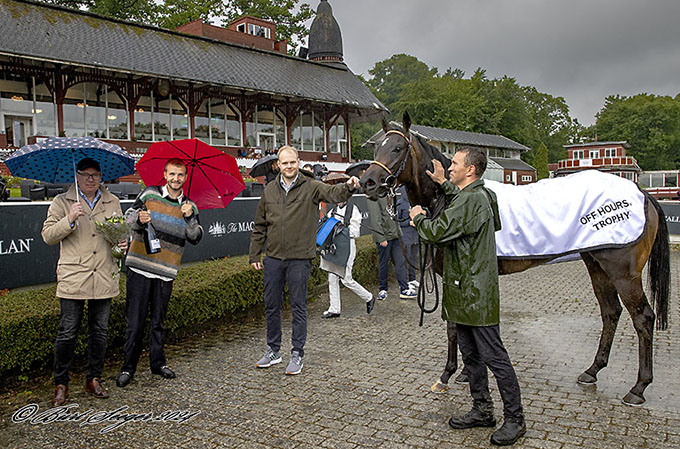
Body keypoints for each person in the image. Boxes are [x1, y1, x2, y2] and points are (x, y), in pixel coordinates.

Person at [409, 148, 525, 446]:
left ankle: (515, 419)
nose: (449, 167)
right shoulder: (482, 195)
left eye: (455, 164)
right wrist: (443, 183)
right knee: (471, 356)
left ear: (470, 170)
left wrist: (419, 218)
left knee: (495, 358)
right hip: (464, 292)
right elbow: (462, 203)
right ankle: (482, 410)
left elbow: (436, 232)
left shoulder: (471, 200)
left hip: (474, 294)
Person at [250, 145, 360, 375]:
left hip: (300, 258)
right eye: (284, 163)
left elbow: (333, 194)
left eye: (292, 162)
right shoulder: (269, 190)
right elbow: (260, 224)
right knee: (271, 306)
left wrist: (348, 187)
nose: (289, 166)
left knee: (298, 307)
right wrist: (255, 254)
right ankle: (273, 351)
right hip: (273, 259)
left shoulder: (310, 186)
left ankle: (297, 353)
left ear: (298, 162)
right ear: (278, 165)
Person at [42, 157, 127, 406]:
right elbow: (47, 235)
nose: (91, 179)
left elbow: (119, 234)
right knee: (67, 332)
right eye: (85, 174)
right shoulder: (62, 201)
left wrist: (121, 242)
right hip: (74, 275)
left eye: (95, 175)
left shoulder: (113, 202)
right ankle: (61, 383)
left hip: (103, 273)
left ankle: (94, 378)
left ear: (101, 177)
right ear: (76, 175)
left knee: (99, 332)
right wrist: (68, 219)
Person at [117, 158, 203, 388]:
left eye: (180, 175)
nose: (176, 179)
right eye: (172, 174)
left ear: (185, 177)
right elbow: (128, 219)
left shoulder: (189, 205)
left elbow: (195, 237)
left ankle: (158, 363)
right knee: (134, 322)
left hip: (165, 271)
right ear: (165, 175)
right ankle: (128, 367)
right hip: (139, 266)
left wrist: (189, 217)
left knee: (158, 321)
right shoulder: (149, 195)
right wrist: (139, 219)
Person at [320, 200, 375, 318]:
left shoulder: (353, 209)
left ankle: (369, 297)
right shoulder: (333, 210)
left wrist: (341, 227)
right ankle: (334, 309)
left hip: (348, 246)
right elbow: (328, 225)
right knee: (332, 276)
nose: (338, 201)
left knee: (346, 279)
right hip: (336, 247)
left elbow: (355, 232)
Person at [366, 196, 415, 300]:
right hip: (385, 237)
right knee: (383, 263)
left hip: (396, 235)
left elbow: (394, 215)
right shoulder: (373, 196)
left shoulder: (390, 194)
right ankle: (383, 289)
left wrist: (399, 233)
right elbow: (375, 219)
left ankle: (404, 289)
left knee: (400, 262)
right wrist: (380, 238)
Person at [396, 185, 419, 294]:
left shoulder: (416, 203)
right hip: (406, 236)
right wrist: (408, 223)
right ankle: (406, 282)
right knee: (406, 259)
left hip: (415, 235)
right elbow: (397, 221)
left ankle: (412, 278)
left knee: (414, 258)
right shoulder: (400, 204)